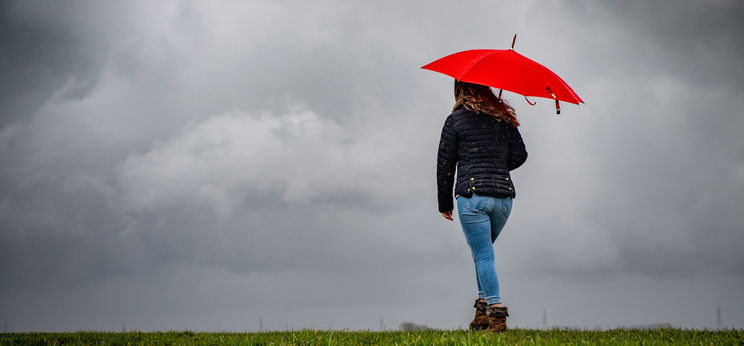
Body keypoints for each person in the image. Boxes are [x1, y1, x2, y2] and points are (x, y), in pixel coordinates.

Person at [436, 80, 528, 332]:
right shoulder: (503, 119)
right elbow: (520, 155)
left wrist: (444, 203)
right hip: (503, 197)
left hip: (472, 195)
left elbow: (445, 164)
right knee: (482, 254)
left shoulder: (455, 120)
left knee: (484, 255)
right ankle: (482, 311)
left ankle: (496, 313)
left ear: (459, 90)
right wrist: (496, 166)